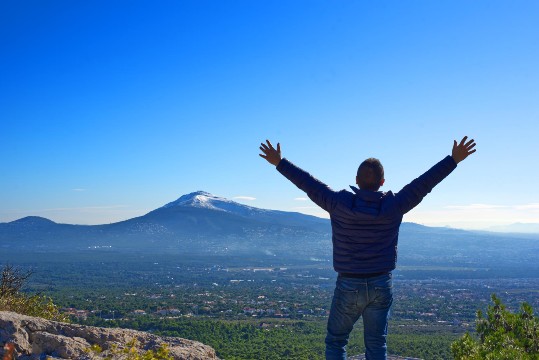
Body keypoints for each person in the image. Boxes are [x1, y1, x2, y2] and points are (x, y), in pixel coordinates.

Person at [259, 137, 477, 360]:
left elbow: (308, 183)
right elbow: (423, 184)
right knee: (376, 343)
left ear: (356, 180)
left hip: (348, 283)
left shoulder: (338, 203)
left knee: (336, 341)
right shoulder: (394, 205)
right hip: (381, 283)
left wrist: (280, 162)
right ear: (383, 182)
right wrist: (452, 160)